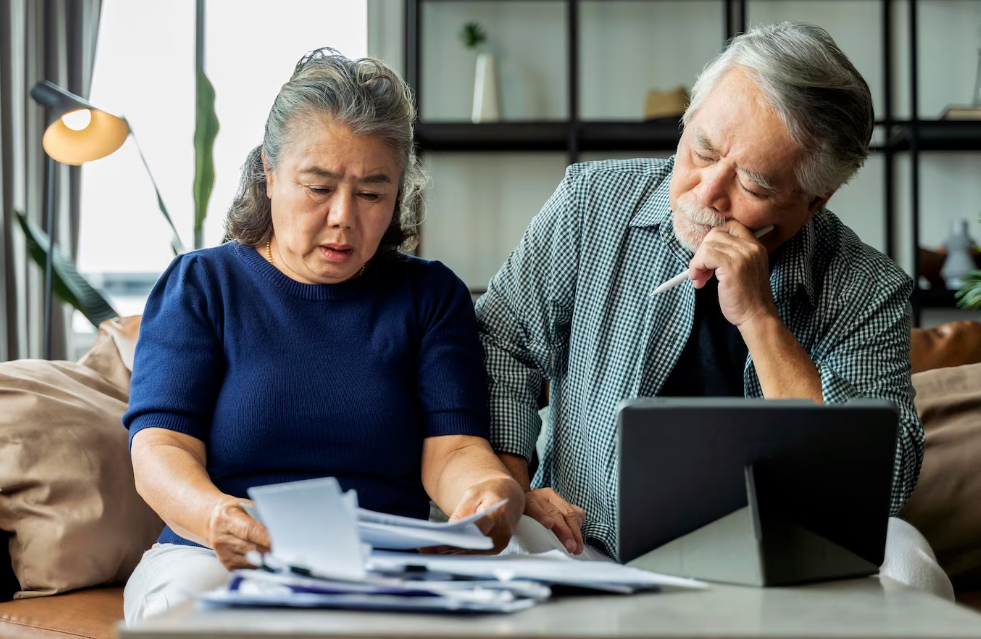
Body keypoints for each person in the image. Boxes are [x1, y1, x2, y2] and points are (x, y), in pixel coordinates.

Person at [477, 22, 953, 599]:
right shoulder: (589, 204)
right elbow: (501, 341)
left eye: (751, 184)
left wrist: (760, 318)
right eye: (701, 150)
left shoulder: (866, 287)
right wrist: (514, 481)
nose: (705, 194)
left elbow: (883, 483)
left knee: (910, 560)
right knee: (500, 542)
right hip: (586, 535)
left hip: (789, 553)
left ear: (813, 200)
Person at [122, 49, 524, 623]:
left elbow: (454, 449)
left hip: (386, 561)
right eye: (318, 187)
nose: (343, 217)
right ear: (269, 171)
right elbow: (160, 449)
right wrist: (214, 515)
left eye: (371, 194)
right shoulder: (203, 285)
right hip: (214, 553)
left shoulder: (430, 295)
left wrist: (486, 494)